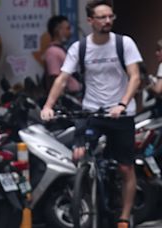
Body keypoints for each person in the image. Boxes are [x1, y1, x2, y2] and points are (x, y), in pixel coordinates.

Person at [40, 1, 142, 228]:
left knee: (125, 167)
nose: (107, 21)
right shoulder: (80, 48)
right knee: (78, 155)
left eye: (110, 17)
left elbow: (134, 76)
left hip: (121, 113)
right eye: (102, 17)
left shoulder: (123, 43)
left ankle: (124, 217)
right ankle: (83, 195)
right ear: (90, 21)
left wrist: (122, 104)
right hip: (92, 111)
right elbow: (62, 78)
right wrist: (48, 106)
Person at [43, 15, 81, 95]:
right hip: (67, 100)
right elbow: (54, 79)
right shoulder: (53, 52)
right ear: (58, 30)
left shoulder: (60, 50)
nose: (70, 32)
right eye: (67, 28)